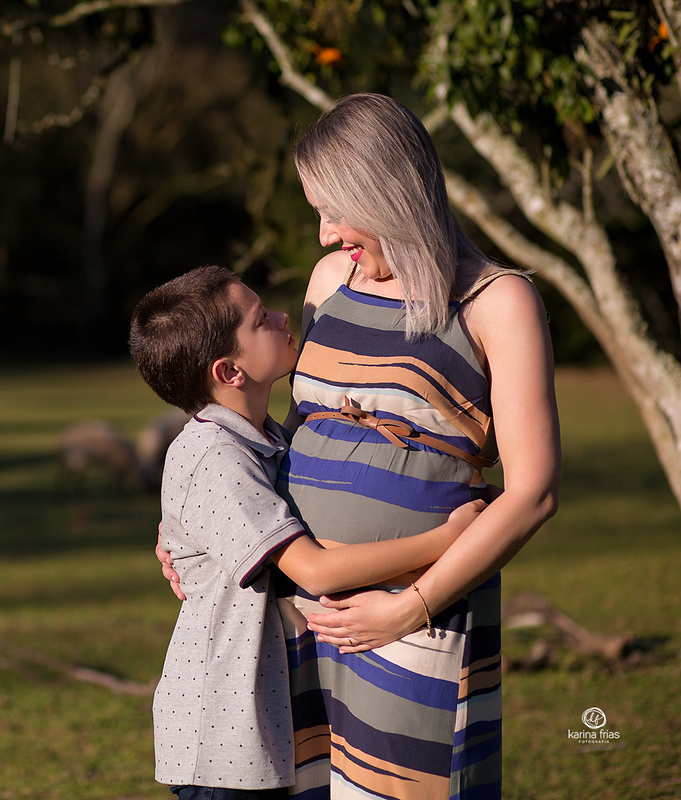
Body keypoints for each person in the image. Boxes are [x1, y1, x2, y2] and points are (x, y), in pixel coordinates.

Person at [158, 94, 561, 800]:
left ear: (387, 194)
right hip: (305, 618)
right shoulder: (331, 283)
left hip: (419, 612)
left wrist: (414, 606)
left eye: (333, 211)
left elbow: (533, 492)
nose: (322, 235)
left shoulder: (499, 303)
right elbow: (276, 439)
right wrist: (192, 524)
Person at [130, 265, 487, 800]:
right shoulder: (213, 457)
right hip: (225, 737)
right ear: (229, 371)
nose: (281, 315)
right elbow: (313, 569)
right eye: (260, 320)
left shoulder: (263, 439)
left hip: (264, 723)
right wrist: (450, 539)